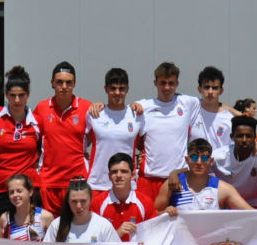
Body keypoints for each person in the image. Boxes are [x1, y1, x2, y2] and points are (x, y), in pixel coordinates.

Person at [134, 62, 201, 201]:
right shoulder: (143, 107)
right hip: (150, 179)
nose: (167, 87)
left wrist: (237, 112)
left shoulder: (188, 103)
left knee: (179, 221)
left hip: (178, 178)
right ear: (155, 83)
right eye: (162, 83)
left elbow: (212, 103)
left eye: (171, 83)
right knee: (148, 221)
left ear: (177, 83)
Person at [33, 61, 92, 213]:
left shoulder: (87, 108)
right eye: (59, 82)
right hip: (49, 182)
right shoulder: (42, 107)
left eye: (68, 82)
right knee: (50, 232)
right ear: (52, 83)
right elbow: (31, 139)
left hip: (77, 183)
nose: (64, 87)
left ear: (74, 84)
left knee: (76, 231)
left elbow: (98, 138)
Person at [0, 66, 40, 214]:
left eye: (21, 95)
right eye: (12, 95)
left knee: (25, 236)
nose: (17, 100)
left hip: (25, 192)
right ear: (6, 95)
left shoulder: (37, 122)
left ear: (28, 95)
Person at [156, 139, 253, 214]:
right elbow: (152, 215)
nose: (199, 162)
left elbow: (252, 214)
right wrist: (165, 213)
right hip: (181, 239)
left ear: (211, 161)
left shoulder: (223, 189)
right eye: (194, 157)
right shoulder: (173, 184)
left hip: (212, 240)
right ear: (187, 159)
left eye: (204, 158)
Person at [85, 68, 144, 192]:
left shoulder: (136, 115)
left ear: (127, 89)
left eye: (121, 88)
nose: (117, 93)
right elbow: (81, 145)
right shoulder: (94, 114)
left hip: (127, 186)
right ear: (106, 89)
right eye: (113, 88)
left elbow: (146, 144)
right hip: (98, 184)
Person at [211, 116, 257, 208]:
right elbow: (195, 171)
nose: (244, 140)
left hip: (253, 206)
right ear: (232, 137)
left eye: (248, 136)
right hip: (225, 208)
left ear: (255, 137)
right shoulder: (218, 157)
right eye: (240, 136)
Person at [43, 179, 119, 243]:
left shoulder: (103, 226)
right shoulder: (57, 225)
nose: (78, 206)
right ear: (68, 202)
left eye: (83, 201)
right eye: (74, 201)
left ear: (90, 200)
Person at [189, 66, 235, 151]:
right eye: (206, 87)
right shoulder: (191, 113)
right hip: (196, 163)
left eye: (214, 88)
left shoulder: (229, 119)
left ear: (221, 91)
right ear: (199, 89)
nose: (210, 92)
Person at [0, 174, 54, 241]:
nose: (15, 195)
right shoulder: (5, 218)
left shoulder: (45, 217)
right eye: (11, 192)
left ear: (30, 192)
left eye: (19, 191)